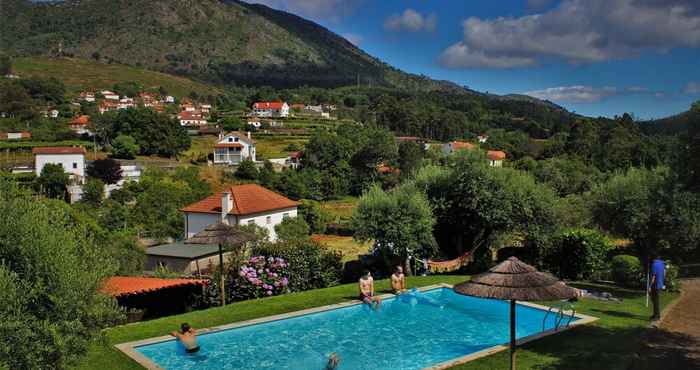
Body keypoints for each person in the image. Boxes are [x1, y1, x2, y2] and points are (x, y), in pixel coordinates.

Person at [650, 256, 666, 321]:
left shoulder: (654, 265)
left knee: (655, 301)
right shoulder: (662, 264)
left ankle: (657, 316)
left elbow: (653, 277)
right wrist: (662, 281)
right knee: (656, 300)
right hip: (660, 284)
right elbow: (665, 273)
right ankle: (655, 315)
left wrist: (650, 286)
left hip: (655, 285)